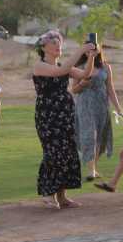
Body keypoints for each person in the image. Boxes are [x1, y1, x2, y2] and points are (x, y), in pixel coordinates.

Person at [32, 30, 96, 208]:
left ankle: (62, 196)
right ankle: (48, 195)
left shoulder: (63, 65)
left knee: (67, 151)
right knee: (53, 152)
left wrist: (91, 57)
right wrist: (81, 50)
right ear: (43, 47)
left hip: (65, 113)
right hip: (48, 115)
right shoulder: (40, 66)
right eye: (53, 42)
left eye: (59, 42)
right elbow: (60, 71)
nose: (58, 45)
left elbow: (85, 75)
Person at [70, 40, 121, 180]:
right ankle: (91, 170)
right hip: (85, 105)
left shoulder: (106, 67)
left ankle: (93, 167)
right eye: (87, 49)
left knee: (99, 137)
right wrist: (82, 83)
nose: (89, 52)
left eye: (92, 49)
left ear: (98, 50)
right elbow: (74, 90)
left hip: (101, 105)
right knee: (89, 136)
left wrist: (118, 108)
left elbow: (110, 89)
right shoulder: (79, 67)